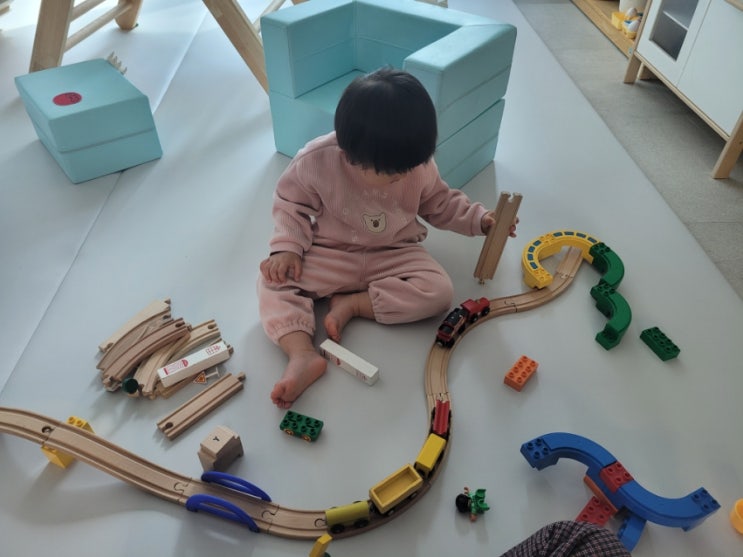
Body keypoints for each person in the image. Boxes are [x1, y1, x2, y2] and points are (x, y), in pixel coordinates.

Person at [258, 68, 517, 408]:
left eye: (410, 166)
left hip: (393, 250)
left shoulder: (415, 164)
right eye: (393, 173)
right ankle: (301, 354)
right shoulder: (316, 160)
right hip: (332, 251)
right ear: (350, 156)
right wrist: (287, 248)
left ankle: (354, 303)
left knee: (439, 291)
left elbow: (440, 202)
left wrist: (479, 220)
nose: (404, 175)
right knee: (273, 282)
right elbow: (290, 204)